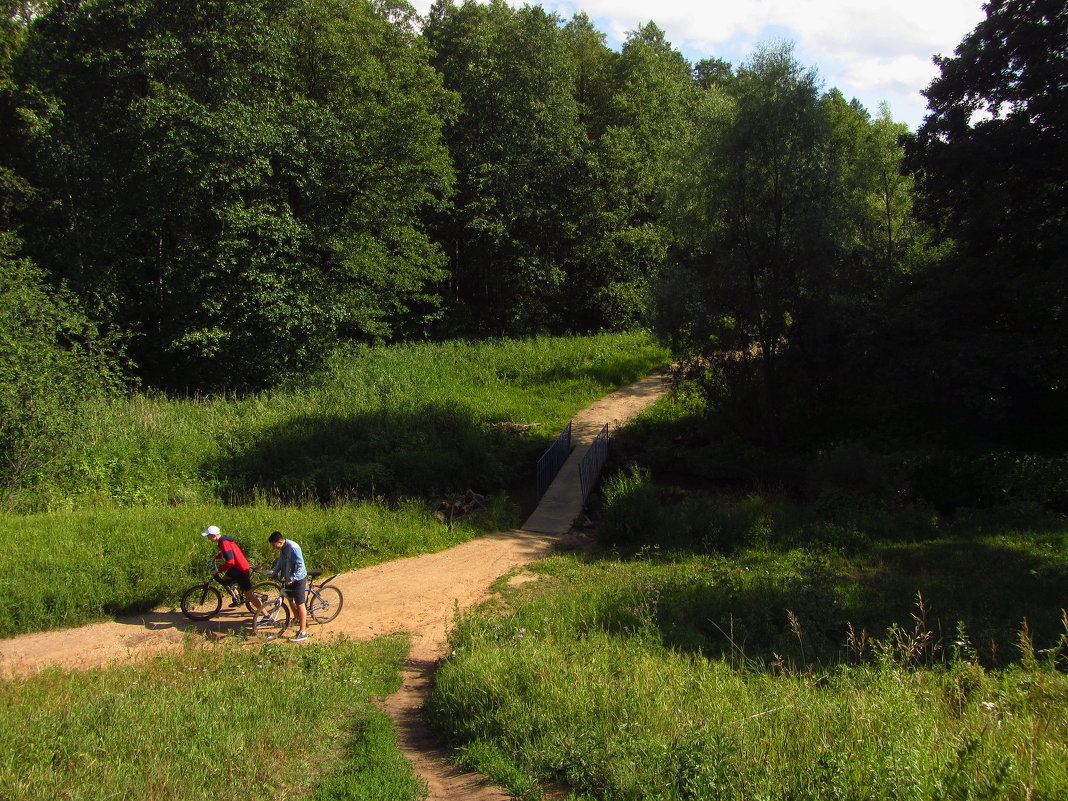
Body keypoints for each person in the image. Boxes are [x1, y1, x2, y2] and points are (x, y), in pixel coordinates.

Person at [201, 525, 263, 612]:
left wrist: (218, 569)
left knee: (249, 595)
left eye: (208, 536)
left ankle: (266, 615)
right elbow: (227, 553)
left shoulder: (224, 543)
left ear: (213, 535)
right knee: (225, 580)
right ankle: (237, 598)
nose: (208, 538)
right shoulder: (224, 540)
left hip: (241, 569)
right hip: (236, 567)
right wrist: (216, 557)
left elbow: (230, 562)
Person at [268, 530, 308, 642]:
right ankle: (297, 618)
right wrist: (275, 572)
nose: (273, 547)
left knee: (300, 604)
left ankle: (303, 632)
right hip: (289, 579)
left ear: (280, 542)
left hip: (298, 579)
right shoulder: (283, 548)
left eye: (274, 545)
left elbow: (300, 565)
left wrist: (292, 578)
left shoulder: (293, 547)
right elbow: (281, 561)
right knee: (290, 599)